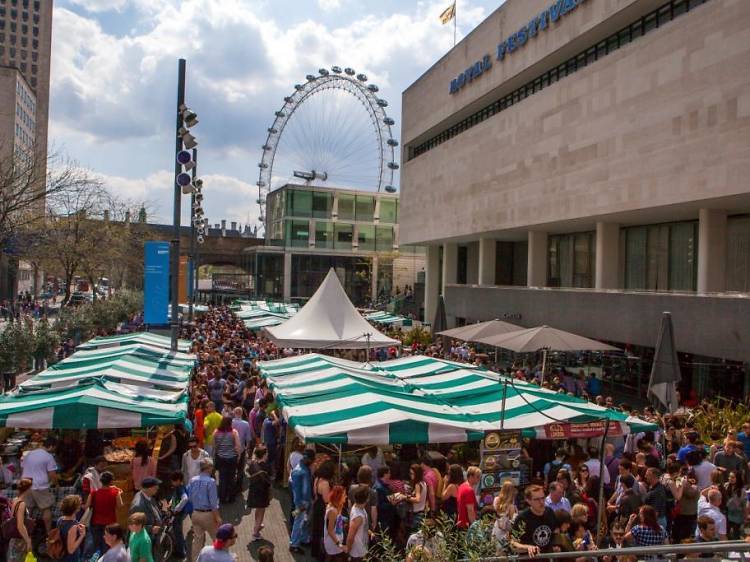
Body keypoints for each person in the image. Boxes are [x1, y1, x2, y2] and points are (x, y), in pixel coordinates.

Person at [20, 436, 58, 533]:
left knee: (28, 510)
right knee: (46, 509)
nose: (54, 450)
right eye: (54, 448)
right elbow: (52, 474)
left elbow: (23, 468)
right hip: (40, 486)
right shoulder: (48, 457)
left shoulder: (29, 454)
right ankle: (48, 533)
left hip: (25, 484)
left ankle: (26, 532)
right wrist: (56, 484)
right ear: (51, 446)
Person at [510, 484, 558, 557]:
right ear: (528, 501)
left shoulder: (549, 512)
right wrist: (527, 547)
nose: (541, 502)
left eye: (543, 498)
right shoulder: (522, 518)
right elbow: (513, 544)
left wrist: (556, 545)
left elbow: (555, 531)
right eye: (537, 499)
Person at [188, 459, 221, 559]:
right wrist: (218, 517)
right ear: (208, 468)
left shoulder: (193, 480)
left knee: (197, 541)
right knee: (217, 540)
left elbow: (190, 498)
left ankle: (195, 560)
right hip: (208, 515)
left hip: (195, 514)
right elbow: (213, 503)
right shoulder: (211, 482)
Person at [85, 471, 123, 556]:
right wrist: (119, 494)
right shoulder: (115, 492)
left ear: (100, 481)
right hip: (110, 523)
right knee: (107, 547)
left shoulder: (94, 493)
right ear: (111, 481)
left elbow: (86, 506)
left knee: (95, 545)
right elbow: (120, 505)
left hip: (95, 522)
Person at [289, 449, 314, 554]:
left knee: (302, 521)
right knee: (298, 522)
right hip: (301, 503)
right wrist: (299, 505)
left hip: (305, 501)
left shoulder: (303, 468)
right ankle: (294, 544)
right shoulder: (299, 471)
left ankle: (303, 539)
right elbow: (296, 491)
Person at [211, 416, 240, 504]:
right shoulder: (234, 432)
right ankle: (231, 498)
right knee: (231, 478)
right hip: (232, 458)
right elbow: (238, 446)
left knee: (222, 478)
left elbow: (214, 446)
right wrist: (238, 456)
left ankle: (222, 498)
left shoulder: (216, 432)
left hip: (221, 458)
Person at [246, 446, 272, 542]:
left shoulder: (252, 464)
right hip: (263, 492)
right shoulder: (266, 466)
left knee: (257, 509)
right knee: (261, 511)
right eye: (267, 453)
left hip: (253, 490)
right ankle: (255, 532)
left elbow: (248, 472)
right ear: (264, 455)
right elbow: (270, 479)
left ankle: (257, 524)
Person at [6, 478, 33, 562]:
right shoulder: (22, 504)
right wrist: (28, 540)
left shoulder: (15, 500)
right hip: (20, 540)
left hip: (14, 538)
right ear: (28, 489)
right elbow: (20, 525)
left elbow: (12, 518)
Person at [312, 460, 335, 558]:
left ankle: (315, 551)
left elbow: (315, 493)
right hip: (323, 508)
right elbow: (326, 499)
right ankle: (321, 553)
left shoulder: (317, 479)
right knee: (322, 530)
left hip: (317, 505)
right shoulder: (325, 483)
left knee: (316, 530)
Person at [168, 472, 191, 559]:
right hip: (178, 514)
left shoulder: (180, 488)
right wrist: (171, 503)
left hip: (178, 515)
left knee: (178, 533)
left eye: (173, 481)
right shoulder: (178, 487)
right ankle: (183, 547)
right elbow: (174, 497)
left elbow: (185, 499)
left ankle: (181, 552)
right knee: (178, 532)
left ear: (178, 481)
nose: (172, 483)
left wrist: (176, 509)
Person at [58, 495, 87, 562]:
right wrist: (82, 535)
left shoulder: (60, 520)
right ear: (76, 509)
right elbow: (71, 550)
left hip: (61, 555)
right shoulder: (73, 526)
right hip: (70, 558)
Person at [346, 486, 370, 562]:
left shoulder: (359, 507)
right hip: (357, 552)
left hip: (362, 548)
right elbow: (350, 537)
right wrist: (348, 551)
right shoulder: (358, 517)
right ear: (366, 499)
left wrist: (369, 532)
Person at [323, 485, 347, 561]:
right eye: (344, 495)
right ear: (339, 497)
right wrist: (339, 544)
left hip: (337, 539)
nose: (345, 496)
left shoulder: (336, 506)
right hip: (333, 542)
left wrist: (343, 519)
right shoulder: (333, 511)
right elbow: (330, 530)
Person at [231, 407, 252, 489]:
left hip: (231, 448)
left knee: (232, 467)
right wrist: (248, 448)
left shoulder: (230, 422)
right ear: (241, 413)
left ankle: (232, 484)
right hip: (241, 449)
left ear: (234, 413)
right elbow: (248, 439)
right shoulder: (245, 424)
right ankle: (239, 486)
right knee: (240, 468)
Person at [493, 481, 518, 546]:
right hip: (505, 531)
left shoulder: (496, 500)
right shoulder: (511, 506)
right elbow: (511, 519)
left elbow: (495, 513)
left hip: (496, 527)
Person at [405, 464, 429, 531]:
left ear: (417, 474)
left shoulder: (417, 484)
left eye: (412, 473)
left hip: (416, 514)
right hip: (421, 512)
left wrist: (405, 497)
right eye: (410, 473)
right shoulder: (423, 483)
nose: (411, 475)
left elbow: (417, 499)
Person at [724, 471, 746, 539]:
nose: (730, 478)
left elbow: (744, 505)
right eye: (729, 477)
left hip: (737, 516)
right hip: (727, 514)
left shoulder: (742, 490)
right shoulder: (726, 485)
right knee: (727, 534)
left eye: (732, 477)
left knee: (736, 535)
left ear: (738, 478)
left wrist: (745, 518)